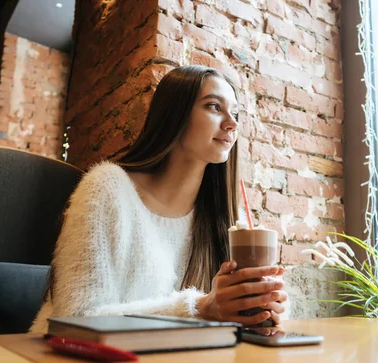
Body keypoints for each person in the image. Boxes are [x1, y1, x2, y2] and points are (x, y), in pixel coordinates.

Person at [30, 65, 289, 333]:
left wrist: (267, 308)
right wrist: (197, 309)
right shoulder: (106, 188)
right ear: (174, 114)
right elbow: (77, 318)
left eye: (235, 113)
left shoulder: (222, 216)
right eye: (214, 106)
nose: (232, 124)